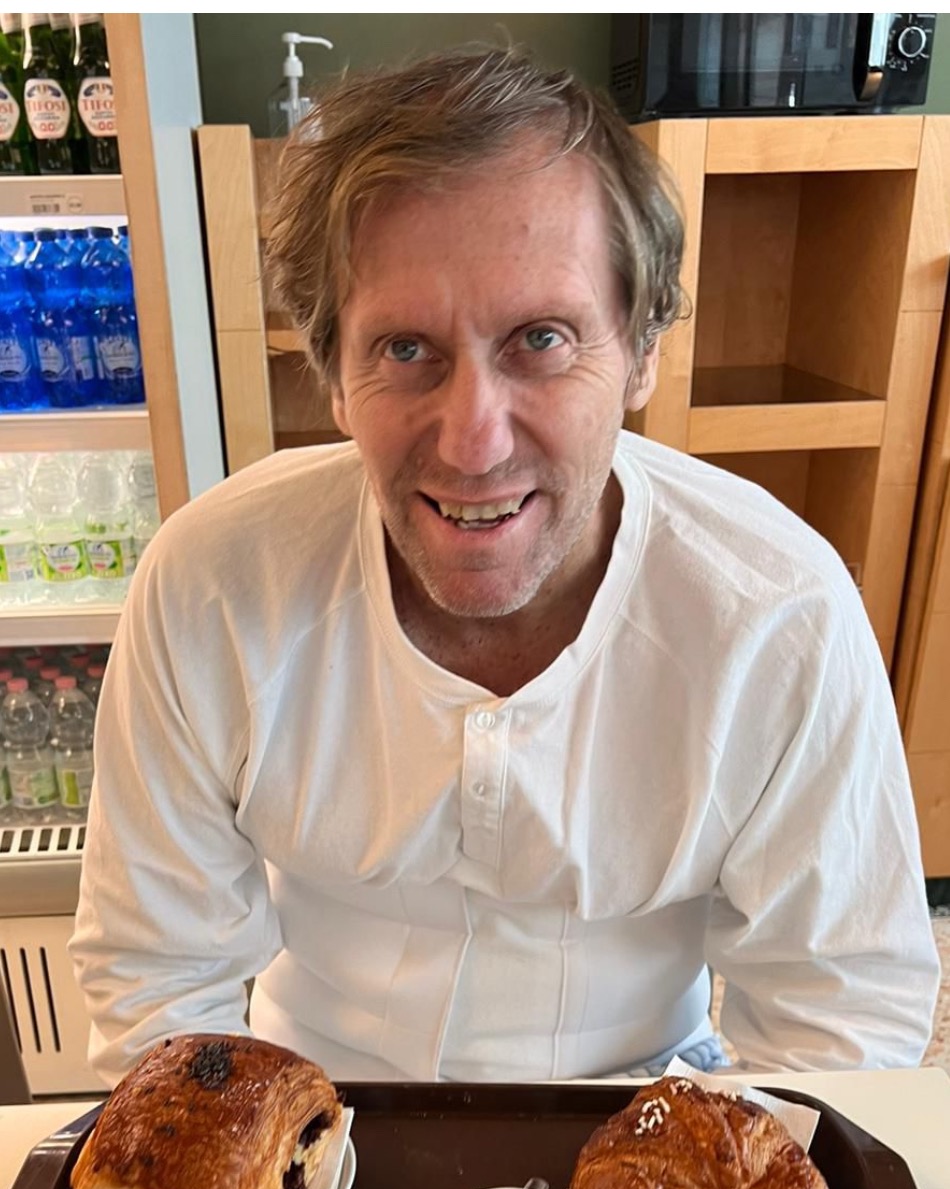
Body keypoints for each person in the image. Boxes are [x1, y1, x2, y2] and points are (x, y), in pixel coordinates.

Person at [69, 47, 938, 1088]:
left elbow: (839, 1016)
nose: (473, 442)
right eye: (404, 349)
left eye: (540, 337)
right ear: (332, 374)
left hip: (650, 1106)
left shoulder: (778, 611)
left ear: (641, 347)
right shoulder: (207, 585)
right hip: (310, 1105)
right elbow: (158, 974)